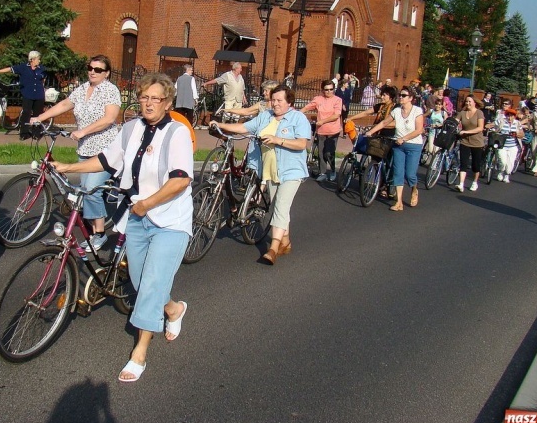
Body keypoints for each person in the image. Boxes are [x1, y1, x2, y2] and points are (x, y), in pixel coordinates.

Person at [52, 73, 193, 382]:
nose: (149, 103)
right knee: (142, 281)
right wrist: (69, 167)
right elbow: (106, 160)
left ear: (167, 102)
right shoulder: (130, 129)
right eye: (144, 97)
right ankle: (172, 309)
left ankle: (139, 351)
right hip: (138, 217)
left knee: (152, 281)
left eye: (156, 98)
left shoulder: (177, 133)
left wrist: (148, 202)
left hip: (170, 220)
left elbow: (181, 179)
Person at [31, 54, 121, 252]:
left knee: (90, 190)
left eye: (98, 69)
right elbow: (65, 104)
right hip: (85, 148)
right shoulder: (82, 89)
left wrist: (83, 131)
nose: (92, 72)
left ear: (106, 73)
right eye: (90, 67)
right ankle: (94, 215)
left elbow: (109, 118)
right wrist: (40, 117)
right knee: (87, 189)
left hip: (105, 149)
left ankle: (99, 235)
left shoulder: (110, 90)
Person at [212, 85, 310, 265]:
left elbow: (302, 144)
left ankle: (272, 249)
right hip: (269, 169)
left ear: (289, 102)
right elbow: (243, 127)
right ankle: (285, 242)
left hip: (291, 170)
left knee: (280, 205)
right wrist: (221, 125)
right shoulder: (265, 116)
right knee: (281, 208)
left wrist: (277, 140)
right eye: (274, 100)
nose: (276, 103)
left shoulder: (298, 118)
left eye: (280, 100)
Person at [365, 87, 424, 210]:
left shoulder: (417, 111)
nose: (400, 97)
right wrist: (371, 132)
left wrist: (404, 138)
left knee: (410, 174)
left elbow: (419, 130)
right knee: (398, 173)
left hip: (413, 146)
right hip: (398, 146)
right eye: (400, 95)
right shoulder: (397, 111)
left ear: (411, 98)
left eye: (404, 95)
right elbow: (384, 123)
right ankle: (399, 203)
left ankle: (414, 189)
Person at [0, 50, 45, 139]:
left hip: (39, 95)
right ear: (32, 59)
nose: (39, 61)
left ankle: (36, 133)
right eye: (38, 59)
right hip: (27, 94)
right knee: (26, 113)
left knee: (37, 115)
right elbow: (10, 69)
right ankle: (24, 133)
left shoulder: (42, 69)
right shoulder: (23, 67)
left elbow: (43, 79)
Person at [301, 80, 342, 182]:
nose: (329, 92)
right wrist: (298, 113)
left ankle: (332, 170)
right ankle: (322, 172)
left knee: (328, 153)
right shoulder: (318, 99)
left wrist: (323, 121)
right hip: (321, 131)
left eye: (331, 89)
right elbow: (307, 107)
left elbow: (336, 115)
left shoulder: (337, 100)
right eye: (326, 90)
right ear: (323, 90)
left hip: (333, 131)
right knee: (320, 153)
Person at [455, 96, 485, 191]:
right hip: (465, 141)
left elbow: (480, 128)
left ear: (474, 102)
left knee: (475, 165)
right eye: (466, 101)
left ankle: (475, 182)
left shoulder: (479, 113)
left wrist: (466, 132)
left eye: (470, 101)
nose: (467, 103)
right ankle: (461, 184)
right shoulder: (462, 113)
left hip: (477, 143)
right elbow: (454, 121)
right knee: (463, 163)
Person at [495, 108, 524, 183]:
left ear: (514, 116)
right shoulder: (501, 121)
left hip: (513, 146)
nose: (510, 118)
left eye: (512, 116)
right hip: (502, 145)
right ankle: (500, 171)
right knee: (503, 161)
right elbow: (493, 127)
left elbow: (522, 134)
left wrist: (517, 134)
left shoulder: (517, 123)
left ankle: (507, 175)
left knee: (510, 164)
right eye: (508, 116)